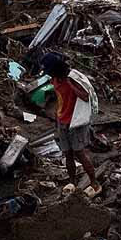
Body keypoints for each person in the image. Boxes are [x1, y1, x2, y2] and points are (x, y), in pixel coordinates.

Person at [42, 53, 100, 195]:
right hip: (62, 119)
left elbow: (86, 96)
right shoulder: (55, 79)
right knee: (67, 153)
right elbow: (60, 97)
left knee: (79, 153)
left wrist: (69, 84)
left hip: (76, 121)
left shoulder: (72, 78)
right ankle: (72, 182)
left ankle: (94, 182)